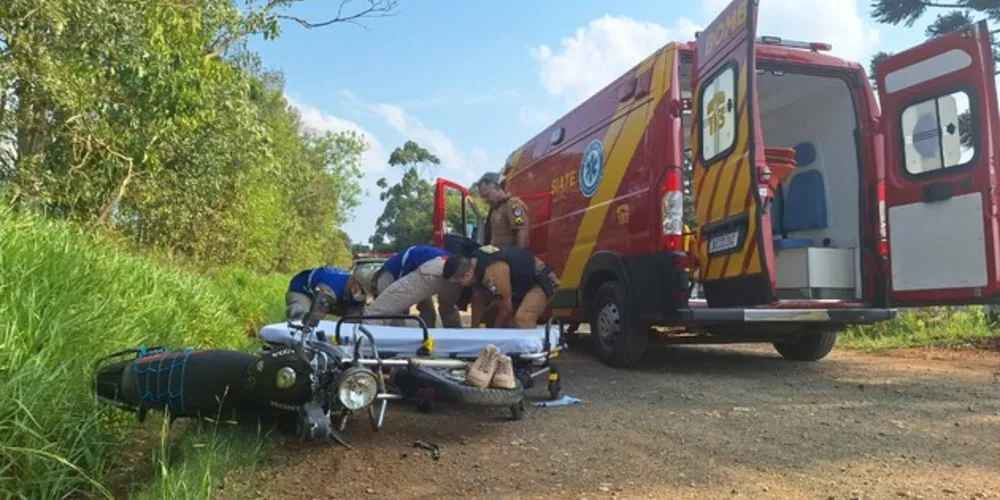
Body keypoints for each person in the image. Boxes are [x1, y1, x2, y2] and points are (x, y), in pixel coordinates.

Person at [365, 245, 476, 328]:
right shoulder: (431, 276)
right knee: (393, 317)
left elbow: (447, 308)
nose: (460, 284)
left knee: (434, 312)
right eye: (458, 281)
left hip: (424, 269)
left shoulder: (455, 271)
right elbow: (381, 309)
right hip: (393, 277)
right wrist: (369, 322)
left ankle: (443, 342)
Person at [467, 244, 560, 329]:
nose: (458, 282)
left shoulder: (492, 274)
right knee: (489, 318)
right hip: (518, 283)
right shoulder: (476, 277)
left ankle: (529, 347)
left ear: (468, 272)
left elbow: (506, 309)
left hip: (542, 279)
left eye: (459, 278)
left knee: (523, 317)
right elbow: (477, 315)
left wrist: (496, 337)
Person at [285, 266, 368, 322]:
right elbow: (317, 315)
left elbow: (354, 318)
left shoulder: (354, 288)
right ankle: (293, 344)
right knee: (305, 320)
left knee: (357, 317)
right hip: (301, 291)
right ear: (353, 281)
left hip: (329, 294)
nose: (362, 292)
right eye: (360, 287)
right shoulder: (332, 287)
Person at [477, 172, 530, 248]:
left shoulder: (513, 205)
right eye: (483, 197)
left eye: (487, 195)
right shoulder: (495, 209)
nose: (485, 200)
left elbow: (522, 231)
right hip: (497, 252)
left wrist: (517, 255)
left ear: (497, 188)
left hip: (508, 254)